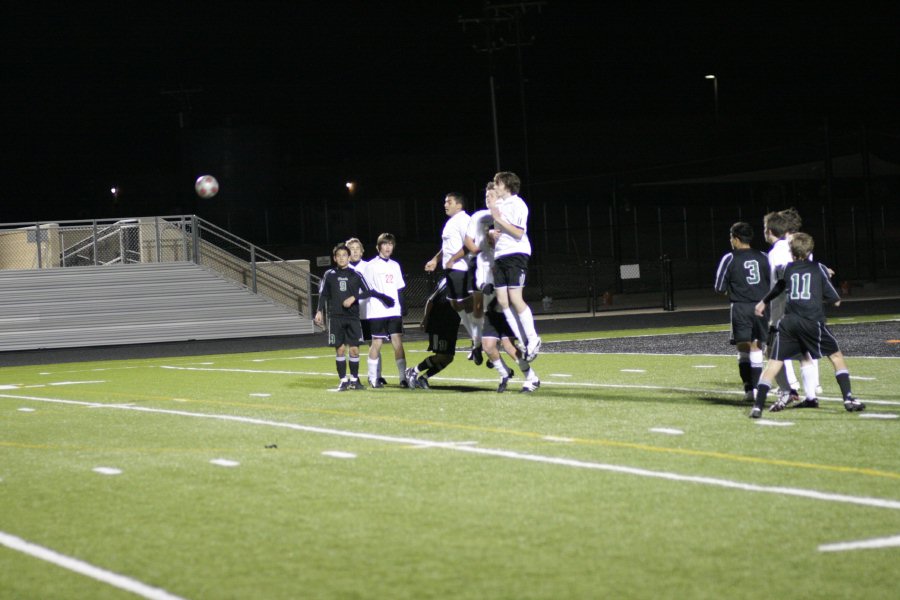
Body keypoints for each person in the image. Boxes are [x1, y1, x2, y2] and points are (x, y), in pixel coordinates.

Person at [749, 233, 865, 418]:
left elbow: (779, 286)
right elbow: (835, 300)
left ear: (791, 251)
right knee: (836, 356)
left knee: (773, 364)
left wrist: (763, 302)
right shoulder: (818, 268)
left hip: (789, 323)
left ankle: (757, 407)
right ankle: (848, 399)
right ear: (810, 251)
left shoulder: (786, 268)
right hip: (812, 322)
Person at [314, 243, 393, 391]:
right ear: (335, 258)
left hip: (353, 318)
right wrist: (319, 311)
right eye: (339, 256)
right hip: (335, 317)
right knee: (340, 350)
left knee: (354, 350)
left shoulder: (356, 274)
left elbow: (368, 291)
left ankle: (355, 381)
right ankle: (343, 381)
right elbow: (323, 294)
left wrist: (353, 298)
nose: (342, 258)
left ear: (349, 257)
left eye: (345, 255)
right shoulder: (329, 274)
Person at [714, 222, 770, 402]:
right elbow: (774, 282)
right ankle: (758, 388)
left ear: (736, 239)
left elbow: (718, 287)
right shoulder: (764, 256)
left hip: (740, 307)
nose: (730, 241)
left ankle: (748, 389)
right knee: (757, 348)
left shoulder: (729, 258)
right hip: (761, 307)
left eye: (731, 237)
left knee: (743, 349)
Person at [489, 171, 541, 362]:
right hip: (501, 255)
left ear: (507, 185)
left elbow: (519, 233)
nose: (495, 186)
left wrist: (499, 219)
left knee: (515, 298)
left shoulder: (518, 204)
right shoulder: (500, 205)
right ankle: (523, 339)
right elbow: (498, 233)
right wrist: (492, 234)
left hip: (516, 254)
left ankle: (533, 339)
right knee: (503, 301)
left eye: (497, 183)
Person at [424, 193, 480, 363]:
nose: (445, 204)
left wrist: (453, 259)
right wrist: (435, 259)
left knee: (465, 304)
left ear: (459, 205)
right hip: (451, 269)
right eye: (445, 201)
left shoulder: (464, 220)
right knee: (457, 304)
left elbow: (470, 244)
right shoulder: (451, 222)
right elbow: (447, 247)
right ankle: (477, 341)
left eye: (449, 202)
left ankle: (480, 340)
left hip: (461, 268)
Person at [778, 207, 823, 400]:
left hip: (788, 300)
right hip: (808, 301)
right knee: (810, 344)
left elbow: (779, 275)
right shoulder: (805, 241)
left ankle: (791, 385)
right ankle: (815, 384)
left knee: (781, 343)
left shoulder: (782, 246)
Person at [762, 211, 802, 405]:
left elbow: (782, 280)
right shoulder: (798, 246)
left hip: (783, 309)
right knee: (807, 353)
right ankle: (811, 393)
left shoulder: (776, 252)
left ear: (770, 231)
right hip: (803, 306)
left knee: (772, 350)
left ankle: (787, 390)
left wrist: (764, 301)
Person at [363, 233, 408, 388]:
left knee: (398, 343)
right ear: (378, 247)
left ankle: (403, 378)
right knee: (376, 343)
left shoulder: (395, 265)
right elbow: (367, 289)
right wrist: (383, 298)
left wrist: (402, 305)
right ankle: (373, 378)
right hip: (377, 311)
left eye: (390, 244)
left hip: (393, 312)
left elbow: (399, 288)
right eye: (385, 244)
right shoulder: (371, 266)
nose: (388, 247)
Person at [404, 278, 461, 389]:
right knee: (441, 356)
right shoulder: (447, 281)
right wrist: (425, 318)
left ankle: (423, 378)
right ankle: (413, 371)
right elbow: (430, 300)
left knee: (448, 357)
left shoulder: (468, 282)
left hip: (452, 323)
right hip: (439, 323)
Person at [464, 181, 498, 367]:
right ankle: (476, 345)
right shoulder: (478, 216)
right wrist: (478, 252)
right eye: (486, 196)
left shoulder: (506, 215)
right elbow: (468, 240)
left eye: (491, 195)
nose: (488, 199)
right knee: (477, 308)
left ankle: (493, 349)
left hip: (499, 268)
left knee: (496, 309)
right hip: (479, 267)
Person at [346, 237, 386, 387]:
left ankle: (376, 376)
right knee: (353, 346)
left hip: (369, 313)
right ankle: (354, 377)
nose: (355, 251)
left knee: (375, 344)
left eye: (357, 248)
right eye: (352, 249)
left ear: (362, 251)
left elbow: (373, 289)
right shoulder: (343, 269)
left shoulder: (369, 266)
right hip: (352, 315)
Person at [481, 292, 540, 393]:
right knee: (488, 347)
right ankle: (504, 373)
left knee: (509, 346)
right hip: (490, 313)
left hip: (508, 311)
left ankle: (532, 378)